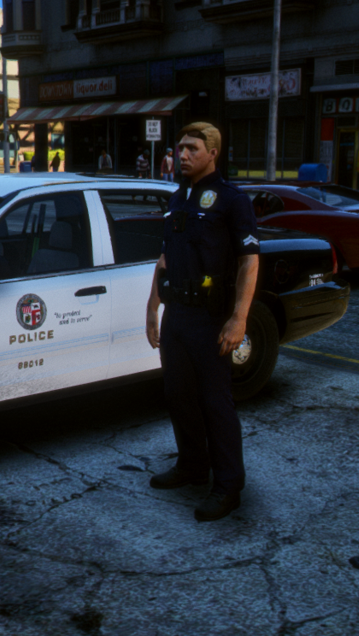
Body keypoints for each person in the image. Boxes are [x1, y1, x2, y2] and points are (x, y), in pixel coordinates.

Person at [145, 121, 260, 522]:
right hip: (177, 315)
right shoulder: (178, 198)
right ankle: (192, 464)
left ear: (213, 153)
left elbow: (249, 262)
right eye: (180, 148)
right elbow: (165, 258)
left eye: (192, 148)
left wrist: (239, 318)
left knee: (215, 403)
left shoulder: (232, 200)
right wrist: (152, 309)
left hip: (211, 317)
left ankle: (228, 485)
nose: (183, 154)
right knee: (178, 395)